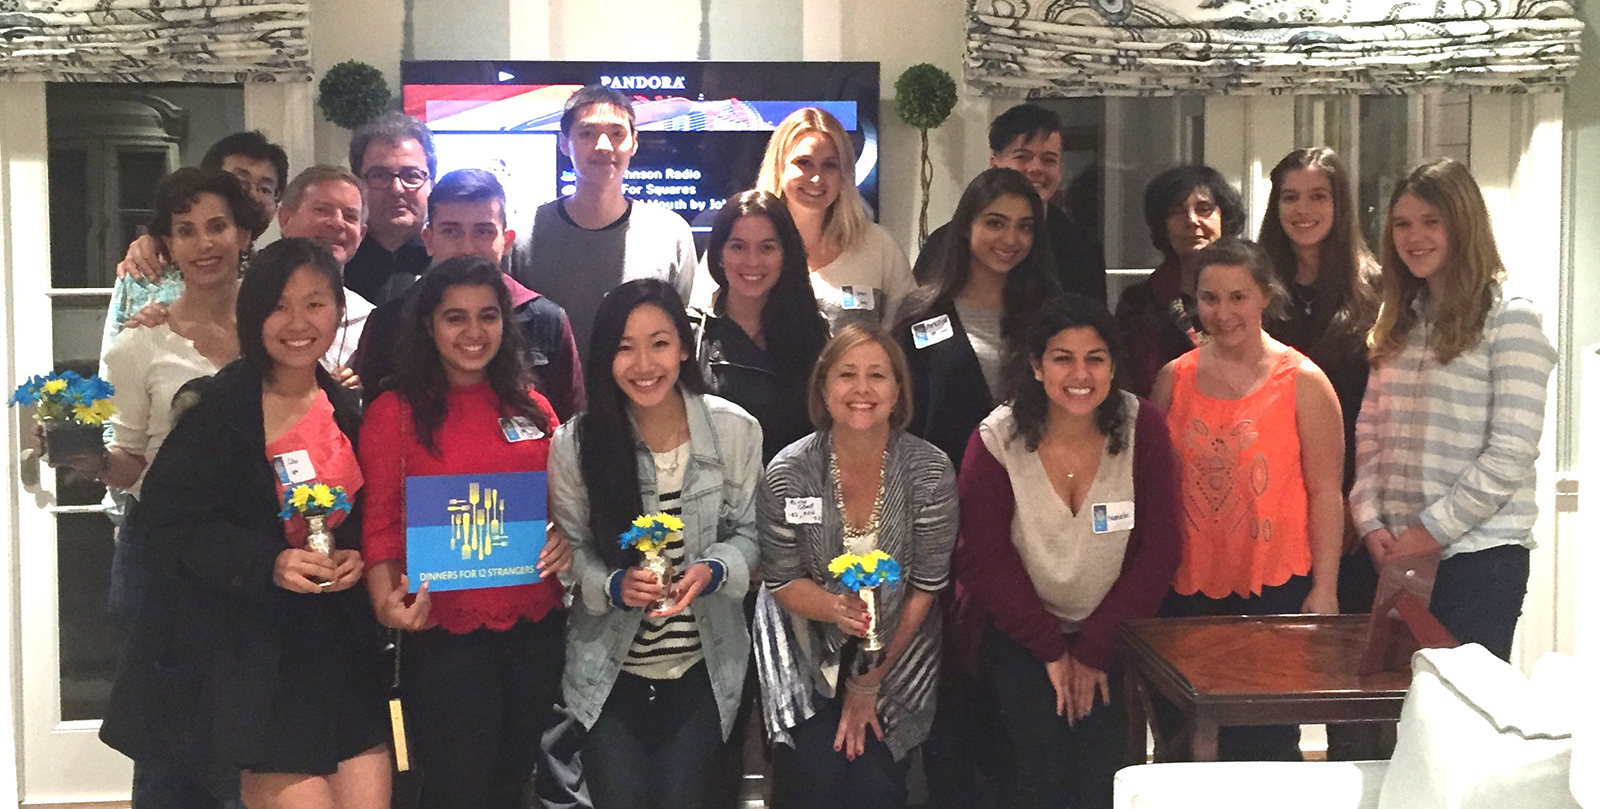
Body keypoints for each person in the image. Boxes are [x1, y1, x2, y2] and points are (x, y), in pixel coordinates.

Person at [100, 238, 390, 808]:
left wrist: (357, 555)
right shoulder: (217, 409)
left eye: (315, 304)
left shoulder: (350, 410)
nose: (298, 323)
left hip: (342, 657)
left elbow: (364, 517)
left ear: (338, 311)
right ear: (254, 313)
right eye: (279, 306)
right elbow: (167, 527)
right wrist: (270, 563)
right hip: (255, 664)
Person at [57, 168, 262, 808]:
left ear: (244, 233)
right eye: (186, 230)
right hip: (165, 554)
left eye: (218, 226)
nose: (205, 244)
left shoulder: (277, 333)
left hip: (257, 550)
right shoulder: (138, 342)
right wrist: (87, 459)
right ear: (167, 246)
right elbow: (132, 463)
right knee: (168, 734)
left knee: (248, 728)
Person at [358, 256, 574, 809]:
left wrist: (564, 540)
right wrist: (386, 603)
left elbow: (565, 511)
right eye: (456, 317)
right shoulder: (394, 412)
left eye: (488, 316)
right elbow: (379, 525)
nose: (474, 333)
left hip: (536, 627)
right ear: (428, 325)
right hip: (443, 633)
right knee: (458, 789)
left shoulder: (536, 407)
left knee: (513, 784)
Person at [953, 294, 1180, 809]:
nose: (1080, 374)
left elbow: (1160, 550)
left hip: (1115, 630)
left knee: (1105, 772)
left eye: (1095, 358)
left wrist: (1095, 649)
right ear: (1036, 366)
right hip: (1020, 631)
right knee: (1039, 768)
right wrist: (1053, 651)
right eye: (1062, 358)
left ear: (1113, 366)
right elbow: (982, 557)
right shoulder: (996, 438)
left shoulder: (1143, 425)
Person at [548, 279, 760, 809]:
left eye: (659, 343)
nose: (644, 363)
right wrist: (615, 585)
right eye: (624, 346)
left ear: (684, 347)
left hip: (703, 667)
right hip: (607, 670)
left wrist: (714, 569)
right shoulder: (576, 443)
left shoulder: (734, 430)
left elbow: (753, 536)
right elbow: (571, 553)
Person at [1350, 158, 1557, 663]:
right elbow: (1371, 430)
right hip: (1396, 551)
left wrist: (1430, 531)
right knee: (1393, 718)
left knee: (1463, 721)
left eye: (1430, 222)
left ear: (1462, 226)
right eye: (1402, 224)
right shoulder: (1401, 320)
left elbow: (1510, 452)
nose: (1413, 237)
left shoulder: (1512, 318)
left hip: (1477, 559)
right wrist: (1369, 520)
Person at [1150, 237, 1345, 761]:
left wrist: (1324, 589)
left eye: (1239, 296)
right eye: (1210, 298)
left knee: (1265, 738)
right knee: (1185, 737)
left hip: (1275, 586)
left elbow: (1326, 492)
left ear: (1265, 296)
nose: (1223, 311)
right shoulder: (1174, 379)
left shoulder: (1303, 381)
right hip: (1188, 583)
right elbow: (1153, 486)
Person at [757, 325, 958, 808]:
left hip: (899, 639)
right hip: (803, 638)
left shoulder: (930, 471)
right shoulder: (789, 471)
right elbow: (782, 578)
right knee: (812, 774)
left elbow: (926, 587)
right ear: (824, 390)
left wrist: (868, 682)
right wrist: (834, 608)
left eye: (877, 376)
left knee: (874, 779)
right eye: (847, 374)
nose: (862, 389)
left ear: (898, 392)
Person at [1258, 148, 1384, 637]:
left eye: (1317, 196)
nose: (1302, 210)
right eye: (1290, 197)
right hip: (1271, 505)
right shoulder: (1257, 288)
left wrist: (1358, 504)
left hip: (1352, 507)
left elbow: (1381, 413)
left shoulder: (1375, 290)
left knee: (1350, 674)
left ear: (1340, 205)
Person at [351, 168, 584, 420]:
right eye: (451, 231)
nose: (467, 248)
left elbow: (569, 430)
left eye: (483, 231)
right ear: (428, 240)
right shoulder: (388, 323)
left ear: (506, 241)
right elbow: (371, 419)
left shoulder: (545, 321)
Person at [508, 85, 697, 363]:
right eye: (587, 133)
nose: (603, 146)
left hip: (641, 400)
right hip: (548, 402)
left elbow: (683, 338)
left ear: (634, 142)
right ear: (564, 142)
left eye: (617, 133)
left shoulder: (671, 234)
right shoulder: (524, 235)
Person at [896, 167, 1062, 470]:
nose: (1011, 239)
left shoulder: (1051, 316)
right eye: (995, 223)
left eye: (1024, 227)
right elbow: (904, 420)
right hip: (944, 490)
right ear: (965, 226)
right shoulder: (922, 314)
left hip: (1034, 486)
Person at [912, 103, 1106, 303]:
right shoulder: (944, 243)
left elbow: (1093, 327)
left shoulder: (1082, 248)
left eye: (1049, 159)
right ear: (995, 165)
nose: (1036, 168)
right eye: (1023, 157)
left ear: (1061, 169)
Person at [692, 189, 831, 464]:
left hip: (795, 494)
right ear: (719, 254)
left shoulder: (816, 333)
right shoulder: (694, 336)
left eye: (767, 247)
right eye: (738, 246)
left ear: (785, 255)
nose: (752, 261)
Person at [752, 107, 915, 332]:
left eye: (830, 165)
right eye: (804, 162)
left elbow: (910, 337)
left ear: (845, 173)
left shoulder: (879, 247)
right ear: (779, 167)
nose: (817, 177)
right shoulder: (742, 244)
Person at [1114, 164, 1246, 397]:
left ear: (1224, 216)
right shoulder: (1137, 304)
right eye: (1177, 211)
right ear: (1162, 224)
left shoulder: (1249, 295)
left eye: (1204, 209)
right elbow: (1125, 387)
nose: (1191, 220)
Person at [112, 129, 289, 283]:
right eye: (240, 181)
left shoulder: (272, 278)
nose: (253, 195)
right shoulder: (153, 268)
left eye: (265, 189)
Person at [344, 112, 435, 304]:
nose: (397, 189)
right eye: (379, 175)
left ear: (432, 183)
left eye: (411, 175)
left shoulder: (451, 257)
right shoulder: (336, 260)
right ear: (358, 183)